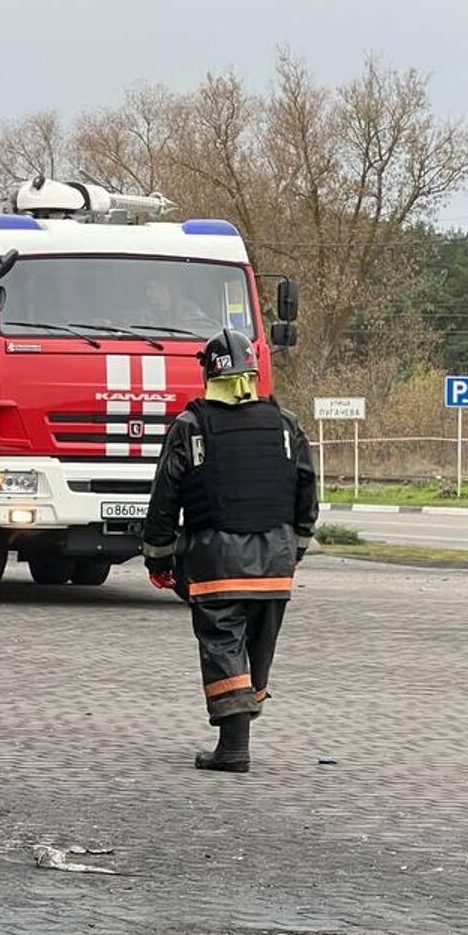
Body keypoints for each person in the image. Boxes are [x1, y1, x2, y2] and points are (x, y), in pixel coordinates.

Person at [141, 329, 317, 773]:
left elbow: (166, 495)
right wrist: (295, 548)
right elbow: (305, 490)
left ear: (209, 373)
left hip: (218, 557)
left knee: (222, 643)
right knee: (258, 647)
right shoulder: (286, 423)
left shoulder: (191, 425)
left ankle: (233, 747)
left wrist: (158, 556)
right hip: (275, 561)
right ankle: (239, 732)